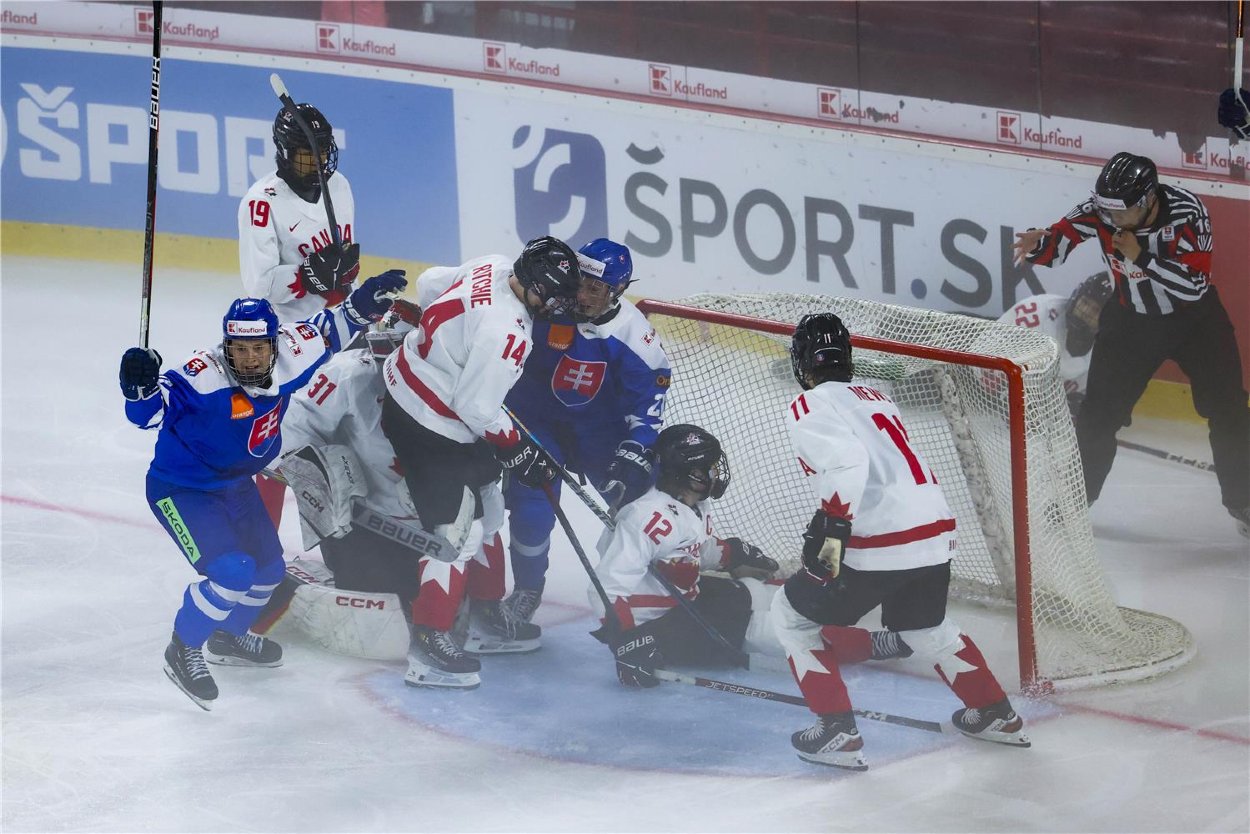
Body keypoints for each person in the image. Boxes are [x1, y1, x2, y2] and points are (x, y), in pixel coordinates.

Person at [118, 269, 408, 709]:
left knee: (270, 571)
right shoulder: (202, 376)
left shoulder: (294, 351)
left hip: (235, 483)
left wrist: (365, 302)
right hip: (182, 489)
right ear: (225, 347)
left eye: (258, 348)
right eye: (239, 349)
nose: (250, 359)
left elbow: (334, 325)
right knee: (232, 572)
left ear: (275, 345)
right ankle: (184, 647)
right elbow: (148, 415)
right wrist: (137, 389)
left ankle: (228, 637)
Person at [771, 313, 1028, 771]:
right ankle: (994, 713)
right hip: (934, 531)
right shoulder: (878, 397)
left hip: (880, 536)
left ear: (802, 363)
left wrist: (832, 530)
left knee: (791, 615)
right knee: (924, 627)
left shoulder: (809, 403)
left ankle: (837, 731)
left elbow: (848, 465)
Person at [267, 302, 526, 660]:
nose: (389, 367)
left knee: (486, 506)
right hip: (365, 525)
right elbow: (286, 437)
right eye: (382, 348)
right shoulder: (347, 374)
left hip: (429, 527)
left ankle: (486, 604)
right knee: (380, 595)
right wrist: (323, 482)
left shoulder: (457, 387)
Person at [380, 236, 582, 690]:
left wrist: (446, 341)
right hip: (427, 422)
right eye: (553, 297)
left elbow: (430, 283)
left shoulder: (493, 265)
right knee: (457, 533)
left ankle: (486, 612)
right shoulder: (509, 333)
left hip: (417, 384)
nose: (556, 306)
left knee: (490, 503)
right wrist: (517, 447)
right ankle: (429, 642)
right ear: (534, 287)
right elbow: (475, 407)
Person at [1013, 151, 1250, 537]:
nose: (1111, 221)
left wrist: (1141, 257)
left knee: (1229, 411)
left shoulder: (1189, 211)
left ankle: (1243, 500)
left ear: (1148, 200)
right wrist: (1041, 245)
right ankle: (1076, 501)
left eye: (1121, 214)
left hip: (1196, 322)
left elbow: (1193, 283)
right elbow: (1062, 241)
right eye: (1106, 212)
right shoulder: (1103, 209)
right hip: (1131, 322)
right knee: (1097, 416)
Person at [593, 423, 911, 688]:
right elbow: (605, 587)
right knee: (777, 632)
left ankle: (831, 611)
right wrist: (627, 644)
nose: (716, 473)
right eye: (709, 468)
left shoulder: (689, 507)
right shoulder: (648, 519)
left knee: (754, 591)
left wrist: (731, 553)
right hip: (659, 630)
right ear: (688, 473)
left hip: (686, 601)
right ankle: (875, 643)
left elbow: (690, 553)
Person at [490, 238, 672, 641]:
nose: (582, 294)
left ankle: (667, 584)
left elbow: (648, 405)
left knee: (642, 505)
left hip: (600, 435)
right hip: (535, 422)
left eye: (596, 288)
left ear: (618, 291)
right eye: (581, 282)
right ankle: (527, 590)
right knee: (531, 505)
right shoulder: (546, 304)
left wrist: (636, 448)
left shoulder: (634, 336)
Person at [239, 101, 359, 527]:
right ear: (283, 153)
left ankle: (349, 547)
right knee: (280, 445)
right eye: (308, 154)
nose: (318, 162)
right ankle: (263, 546)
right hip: (288, 338)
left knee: (347, 435)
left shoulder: (339, 186)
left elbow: (344, 259)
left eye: (323, 152)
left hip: (339, 327)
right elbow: (258, 285)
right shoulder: (261, 202)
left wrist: (346, 277)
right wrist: (308, 277)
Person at [996, 271, 1113, 416]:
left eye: (1096, 310)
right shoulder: (1040, 317)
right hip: (988, 384)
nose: (1084, 311)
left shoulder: (1108, 348)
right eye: (1085, 302)